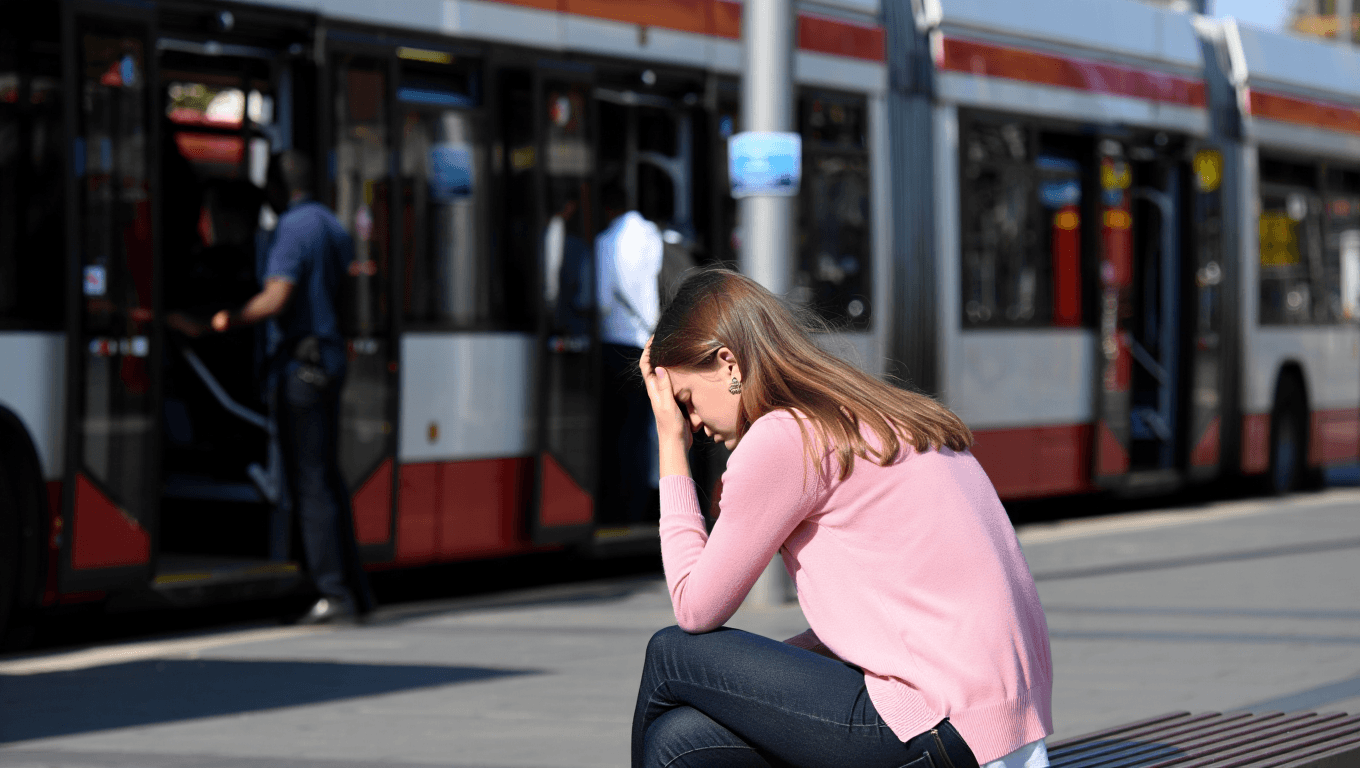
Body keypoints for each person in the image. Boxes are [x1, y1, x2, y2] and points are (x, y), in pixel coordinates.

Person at [634, 268, 1054, 768]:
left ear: (729, 363)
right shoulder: (874, 413)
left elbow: (695, 608)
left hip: (936, 725)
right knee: (679, 740)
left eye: (686, 403)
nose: (694, 426)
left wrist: (669, 445)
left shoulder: (785, 438)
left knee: (671, 654)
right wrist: (754, 680)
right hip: (994, 730)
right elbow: (891, 617)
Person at [211, 150, 373, 625]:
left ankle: (332, 592)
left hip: (299, 366)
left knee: (309, 484)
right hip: (329, 360)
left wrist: (229, 318)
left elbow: (277, 297)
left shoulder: (291, 229)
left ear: (277, 189)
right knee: (327, 477)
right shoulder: (333, 225)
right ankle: (356, 589)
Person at [595, 184, 664, 524]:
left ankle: (617, 508)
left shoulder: (606, 243)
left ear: (607, 210)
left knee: (616, 430)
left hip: (616, 343)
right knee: (640, 429)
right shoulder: (654, 237)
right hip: (647, 343)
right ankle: (641, 504)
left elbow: (602, 302)